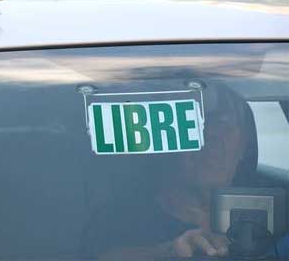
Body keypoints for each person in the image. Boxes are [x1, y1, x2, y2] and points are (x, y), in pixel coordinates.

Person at [81, 82, 255, 260]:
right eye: (196, 125)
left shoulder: (266, 215)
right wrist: (170, 252)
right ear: (167, 147)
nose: (213, 136)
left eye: (224, 125)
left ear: (243, 146)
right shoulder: (117, 219)